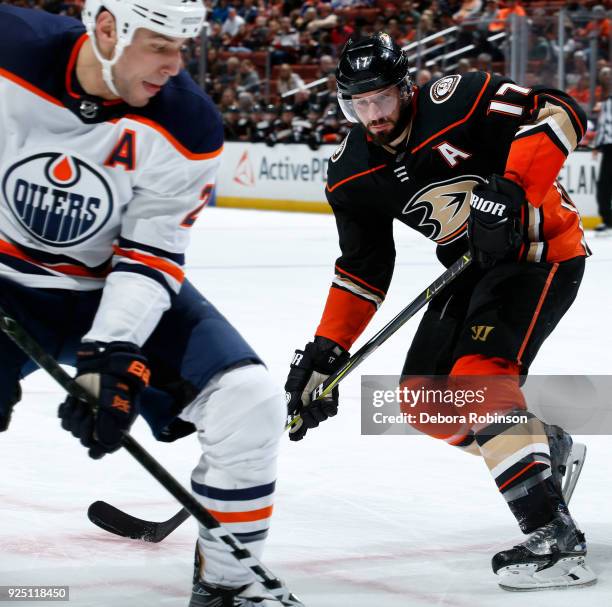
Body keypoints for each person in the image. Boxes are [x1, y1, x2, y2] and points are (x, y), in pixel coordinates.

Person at [285, 33, 595, 591]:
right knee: (425, 400)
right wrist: (326, 352)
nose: (373, 114)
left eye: (382, 98)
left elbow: (561, 110)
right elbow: (362, 269)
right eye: (360, 103)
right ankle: (542, 448)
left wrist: (512, 188)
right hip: (474, 266)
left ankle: (555, 539)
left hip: (540, 251)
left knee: (478, 381)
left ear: (406, 88)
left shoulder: (460, 98)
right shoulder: (350, 171)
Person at [0, 2, 285, 606]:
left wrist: (112, 351)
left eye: (182, 46)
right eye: (159, 46)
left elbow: (151, 253)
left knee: (248, 402)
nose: (174, 65)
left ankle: (228, 590)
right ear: (107, 28)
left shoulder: (187, 122)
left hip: (101, 291)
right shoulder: (9, 45)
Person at [592, 67, 612, 233]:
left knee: (605, 184)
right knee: (604, 184)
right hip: (607, 145)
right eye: (603, 74)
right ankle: (607, 219)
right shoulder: (603, 97)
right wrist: (598, 145)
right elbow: (603, 123)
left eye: (608, 74)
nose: (604, 76)